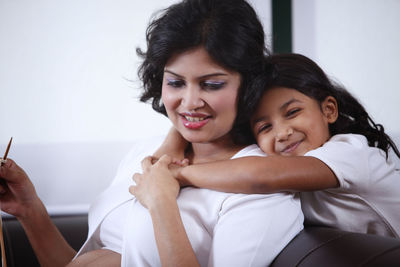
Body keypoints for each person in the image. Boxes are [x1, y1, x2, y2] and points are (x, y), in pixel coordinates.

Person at [0, 1, 304, 266]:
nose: (190, 102)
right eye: (175, 82)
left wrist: (162, 205)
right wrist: (29, 208)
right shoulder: (145, 153)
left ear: (248, 85)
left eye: (211, 84)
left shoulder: (263, 190)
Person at [156, 53, 400, 238]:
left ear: (328, 110)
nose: (282, 133)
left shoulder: (350, 153)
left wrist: (179, 174)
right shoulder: (287, 164)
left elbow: (259, 175)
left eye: (292, 112)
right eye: (265, 127)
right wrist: (173, 143)